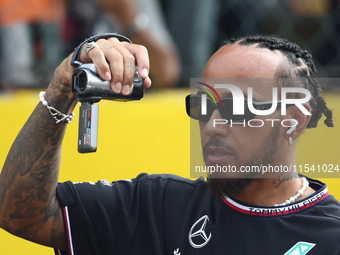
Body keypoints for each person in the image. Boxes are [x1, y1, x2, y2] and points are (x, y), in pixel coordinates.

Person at [0, 33, 339, 254]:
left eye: (237, 107)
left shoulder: (329, 237)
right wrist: (62, 86)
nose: (213, 126)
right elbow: (19, 214)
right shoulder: (157, 205)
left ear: (294, 120)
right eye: (204, 106)